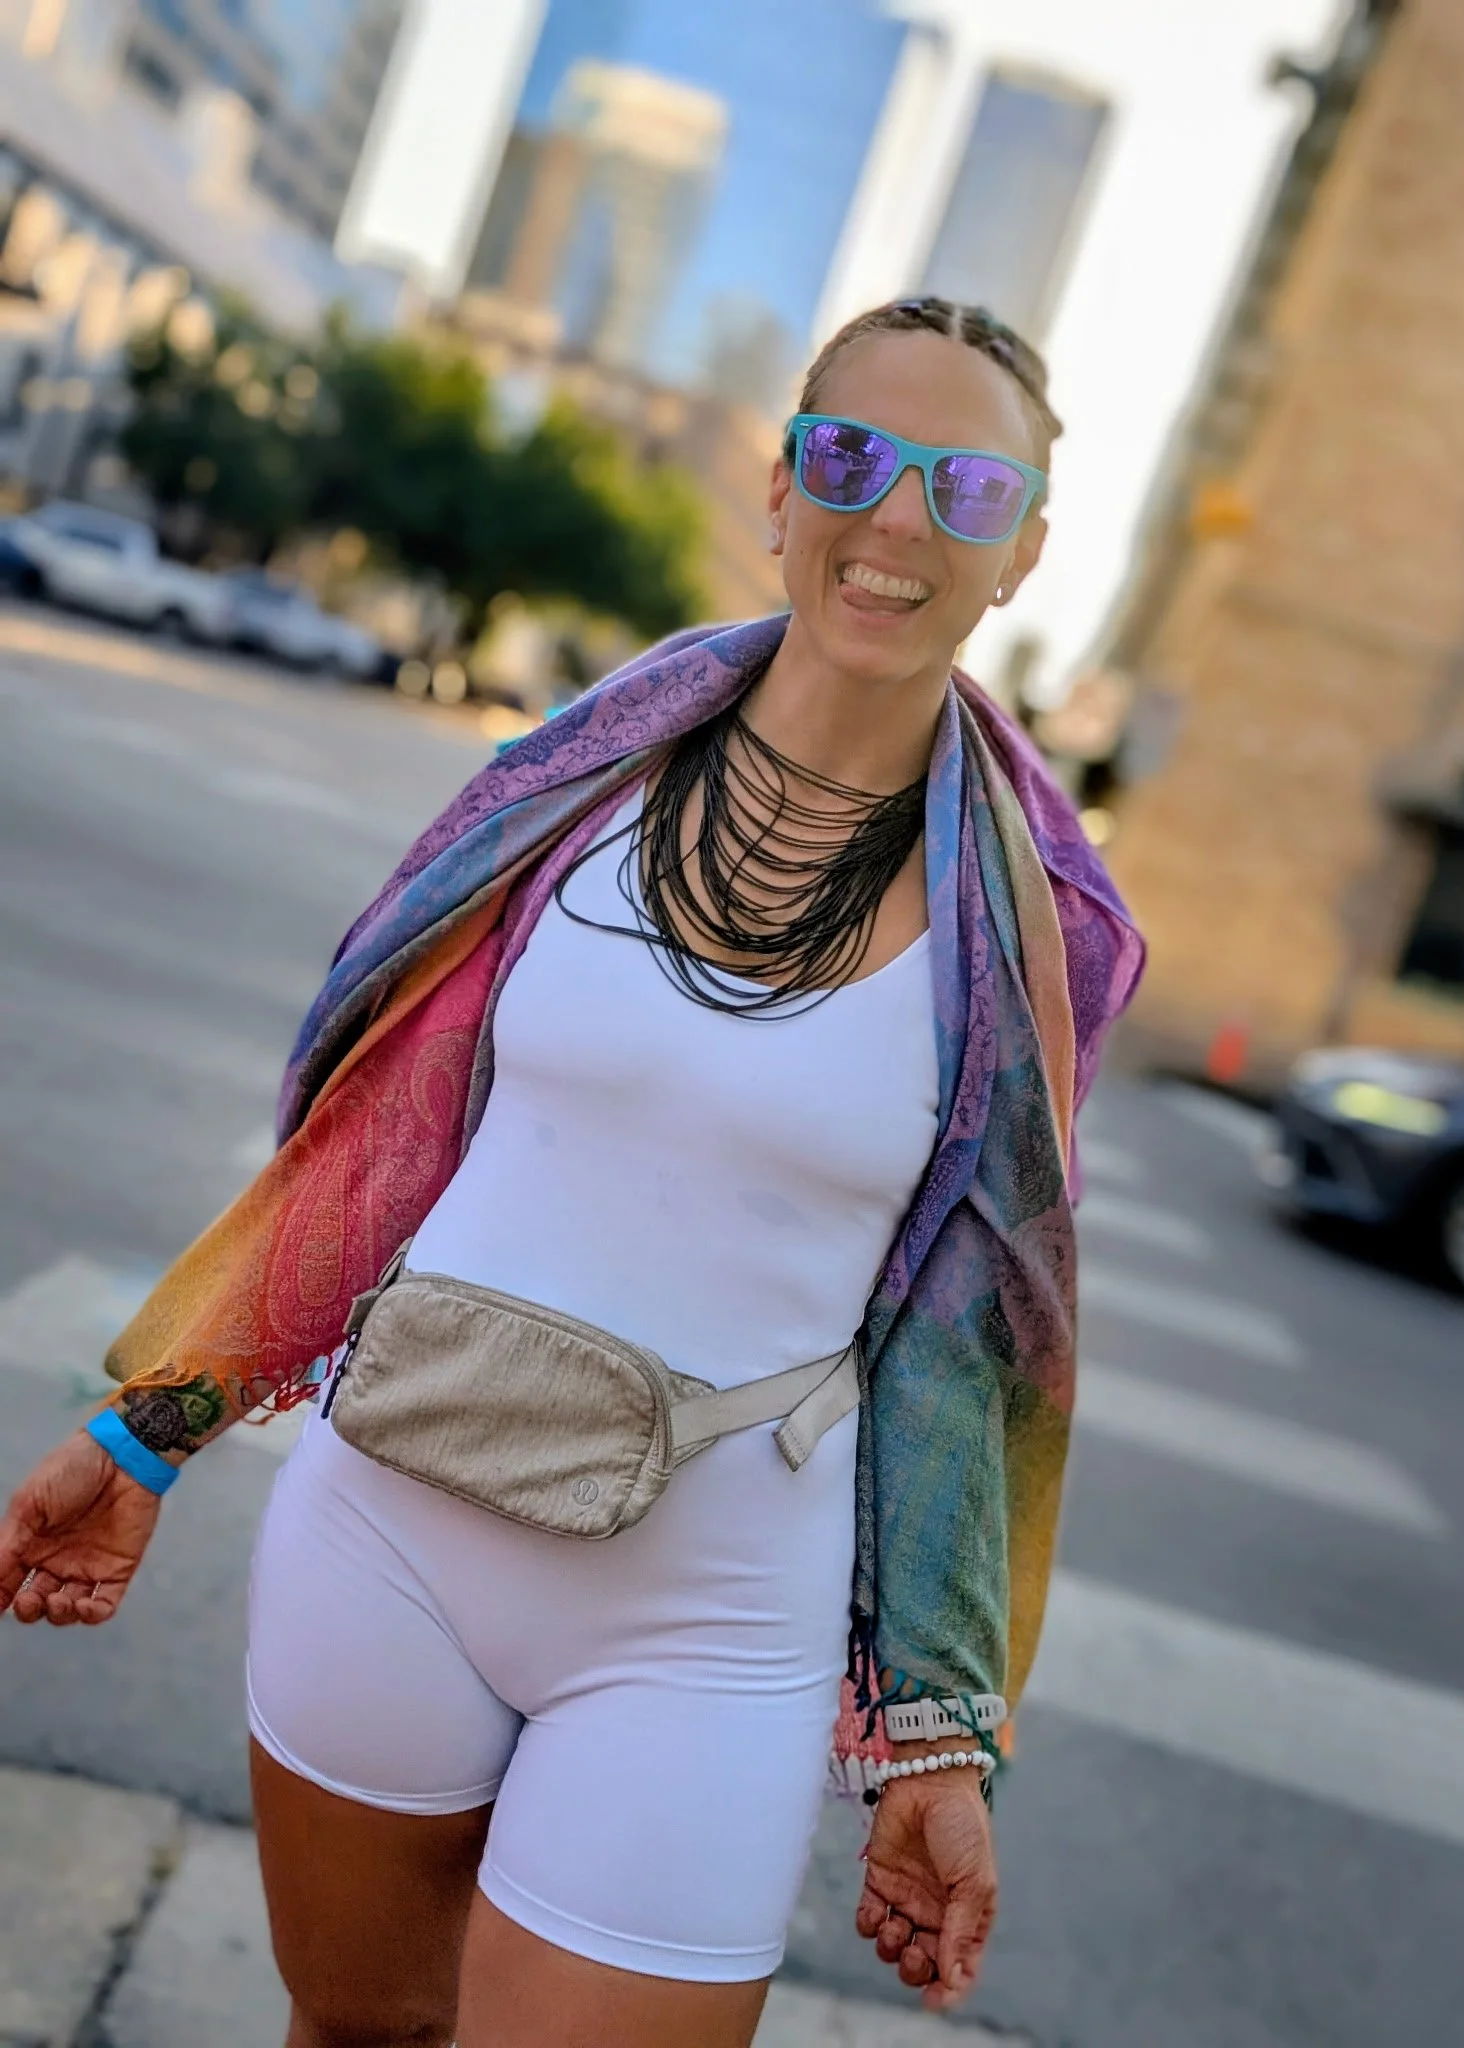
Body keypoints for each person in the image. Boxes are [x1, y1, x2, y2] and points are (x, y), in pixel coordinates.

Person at [0, 296, 1142, 2048]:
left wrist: (937, 1726)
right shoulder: (568, 789)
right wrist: (151, 1422)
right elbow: (379, 1157)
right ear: (779, 489)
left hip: (708, 1617)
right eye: (852, 458)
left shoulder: (1038, 934)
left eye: (964, 488)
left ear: (1022, 551)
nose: (897, 519)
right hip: (386, 1525)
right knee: (356, 2028)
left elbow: (970, 1354)